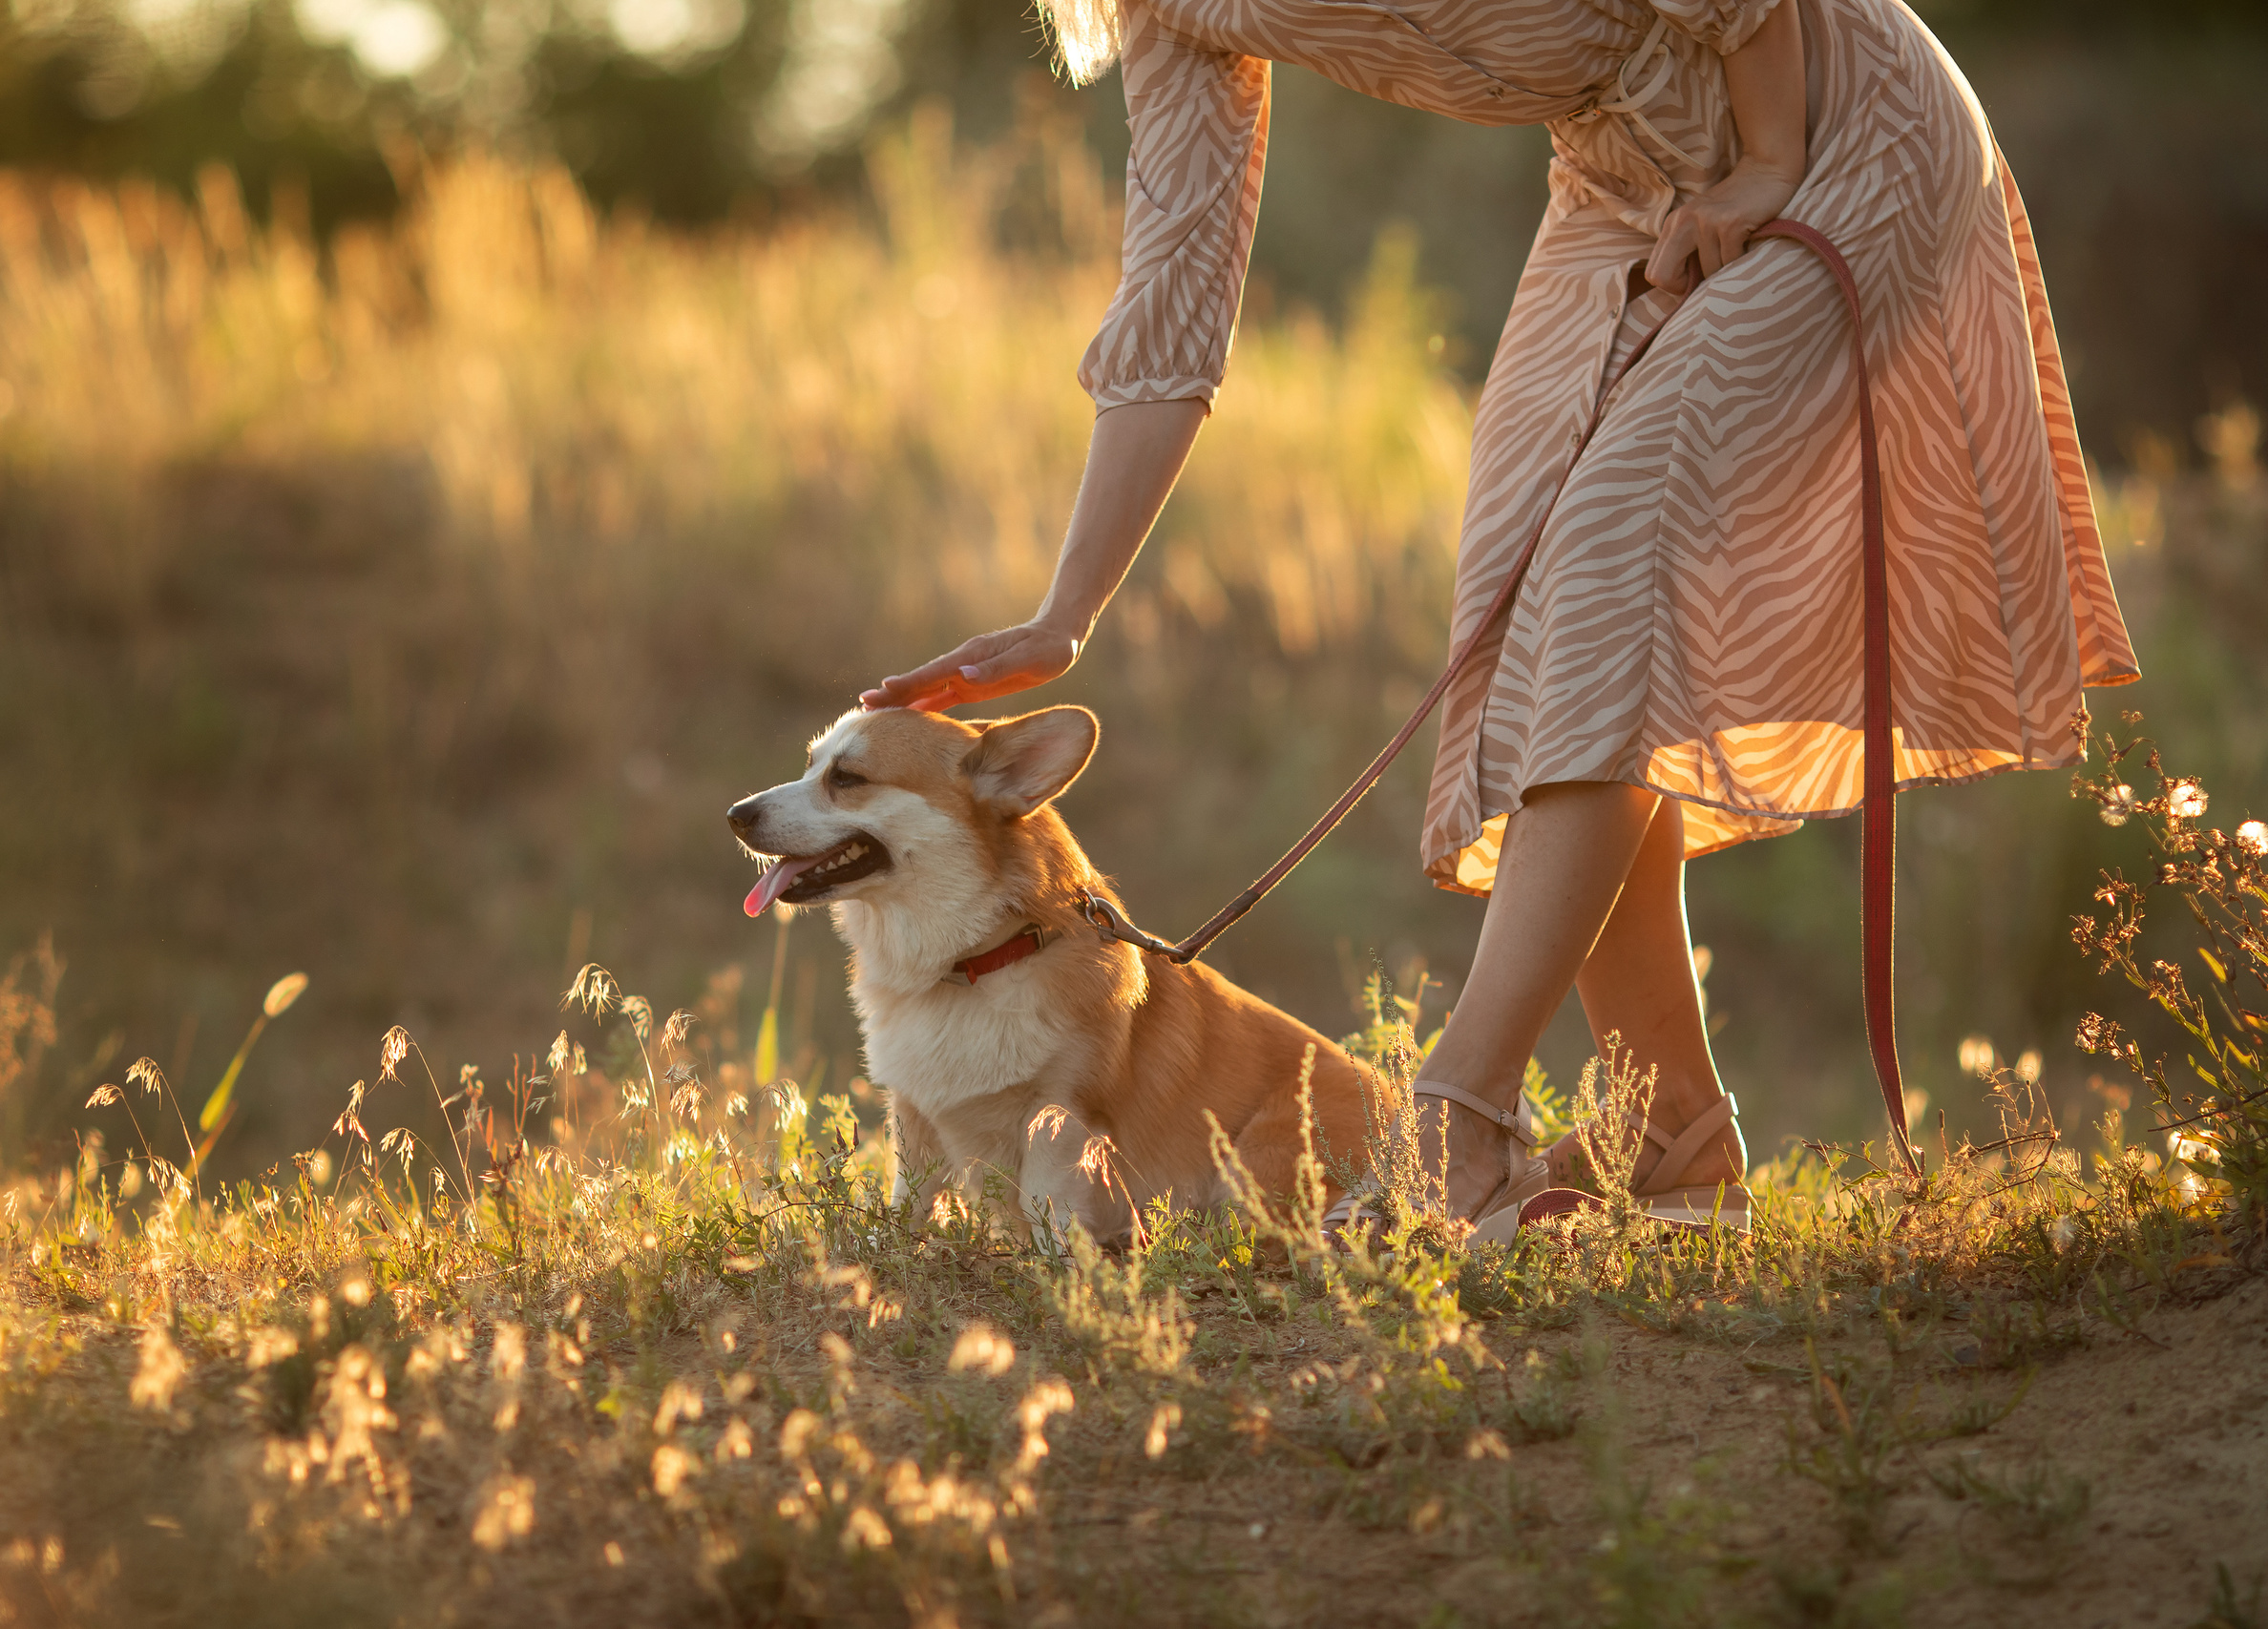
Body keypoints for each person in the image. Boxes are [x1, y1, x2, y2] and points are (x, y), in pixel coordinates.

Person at [857, 0, 2138, 1230]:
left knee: (1607, 557)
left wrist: (1771, 157)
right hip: (1619, 181)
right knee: (1527, 607)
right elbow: (1175, 294)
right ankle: (1671, 1126)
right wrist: (1063, 613)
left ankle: (1459, 1111)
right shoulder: (1177, 7)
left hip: (1827, 129)